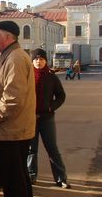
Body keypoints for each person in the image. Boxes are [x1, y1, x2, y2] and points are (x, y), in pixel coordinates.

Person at [0, 21, 36, 197]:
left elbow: (13, 98)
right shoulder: (12, 56)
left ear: (8, 37)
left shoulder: (15, 58)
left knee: (13, 180)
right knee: (20, 176)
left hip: (10, 131)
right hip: (15, 130)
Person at [27, 49, 70, 188]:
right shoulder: (27, 76)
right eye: (36, 59)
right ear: (32, 61)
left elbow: (61, 95)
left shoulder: (51, 77)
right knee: (31, 149)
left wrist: (51, 107)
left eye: (41, 59)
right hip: (31, 118)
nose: (38, 62)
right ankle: (31, 176)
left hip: (47, 119)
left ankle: (60, 178)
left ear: (45, 61)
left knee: (52, 148)